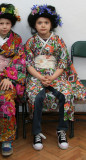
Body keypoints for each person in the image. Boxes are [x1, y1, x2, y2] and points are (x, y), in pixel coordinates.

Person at [25, 4, 86, 151]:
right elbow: (28, 64)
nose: (43, 25)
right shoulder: (30, 42)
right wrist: (40, 77)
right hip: (36, 75)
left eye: (46, 22)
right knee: (36, 96)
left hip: (56, 74)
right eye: (39, 22)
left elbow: (63, 63)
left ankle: (61, 130)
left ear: (52, 24)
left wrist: (51, 77)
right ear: (35, 24)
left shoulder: (58, 41)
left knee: (66, 94)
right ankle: (37, 132)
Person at [0, 3, 26, 156]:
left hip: (8, 76)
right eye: (1, 23)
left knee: (6, 97)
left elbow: (20, 59)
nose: (4, 26)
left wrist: (10, 77)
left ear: (12, 23)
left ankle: (6, 139)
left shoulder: (17, 39)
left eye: (8, 23)